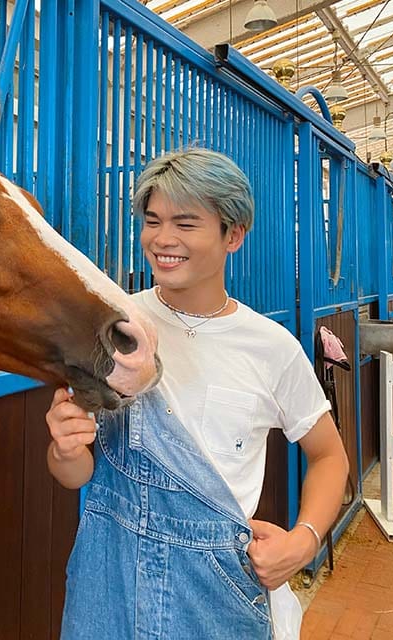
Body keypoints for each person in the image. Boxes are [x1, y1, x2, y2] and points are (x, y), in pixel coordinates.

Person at [45, 148, 349, 640]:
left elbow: (329, 456)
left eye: (186, 224)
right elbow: (74, 474)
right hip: (105, 579)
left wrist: (304, 541)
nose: (163, 240)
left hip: (218, 593)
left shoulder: (272, 348)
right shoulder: (112, 324)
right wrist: (63, 446)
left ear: (233, 235)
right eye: (152, 221)